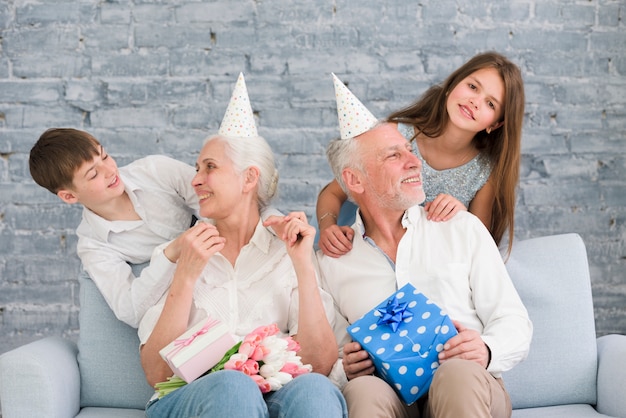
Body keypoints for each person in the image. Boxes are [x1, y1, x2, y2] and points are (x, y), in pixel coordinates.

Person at [319, 76, 532, 418]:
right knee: (361, 389)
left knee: (457, 373)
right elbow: (329, 357)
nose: (416, 161)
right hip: (388, 395)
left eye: (409, 150)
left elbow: (513, 320)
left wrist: (486, 350)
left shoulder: (460, 228)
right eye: (394, 155)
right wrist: (347, 366)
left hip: (469, 383)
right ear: (355, 181)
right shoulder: (332, 262)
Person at [138, 74, 347, 418]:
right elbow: (156, 374)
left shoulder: (287, 250)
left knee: (316, 389)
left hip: (277, 392)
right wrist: (186, 276)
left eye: (210, 167)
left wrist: (302, 265)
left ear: (249, 178)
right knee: (233, 386)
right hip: (193, 398)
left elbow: (319, 363)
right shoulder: (181, 252)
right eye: (197, 168)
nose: (196, 179)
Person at [316, 51, 524, 258]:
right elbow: (333, 193)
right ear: (452, 85)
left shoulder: (484, 173)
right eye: (472, 87)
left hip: (423, 267)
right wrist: (327, 226)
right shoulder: (394, 135)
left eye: (490, 103)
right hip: (358, 250)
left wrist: (462, 215)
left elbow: (478, 244)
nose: (475, 101)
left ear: (496, 124)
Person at [29, 128, 200, 327]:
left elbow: (220, 202)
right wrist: (170, 254)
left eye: (105, 156)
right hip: (187, 301)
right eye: (93, 174)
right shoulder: (94, 246)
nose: (110, 170)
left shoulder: (156, 170)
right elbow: (131, 310)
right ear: (69, 196)